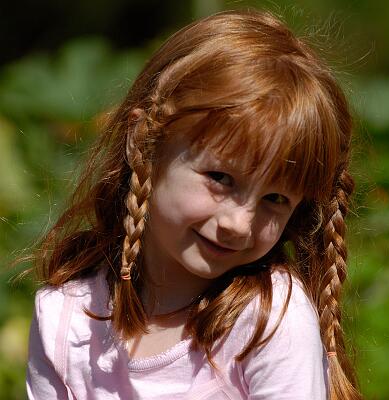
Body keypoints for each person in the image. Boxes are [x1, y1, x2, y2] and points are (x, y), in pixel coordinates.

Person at [26, 9, 362, 400]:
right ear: (144, 142)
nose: (239, 223)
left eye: (275, 199)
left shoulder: (267, 322)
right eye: (220, 178)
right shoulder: (65, 323)